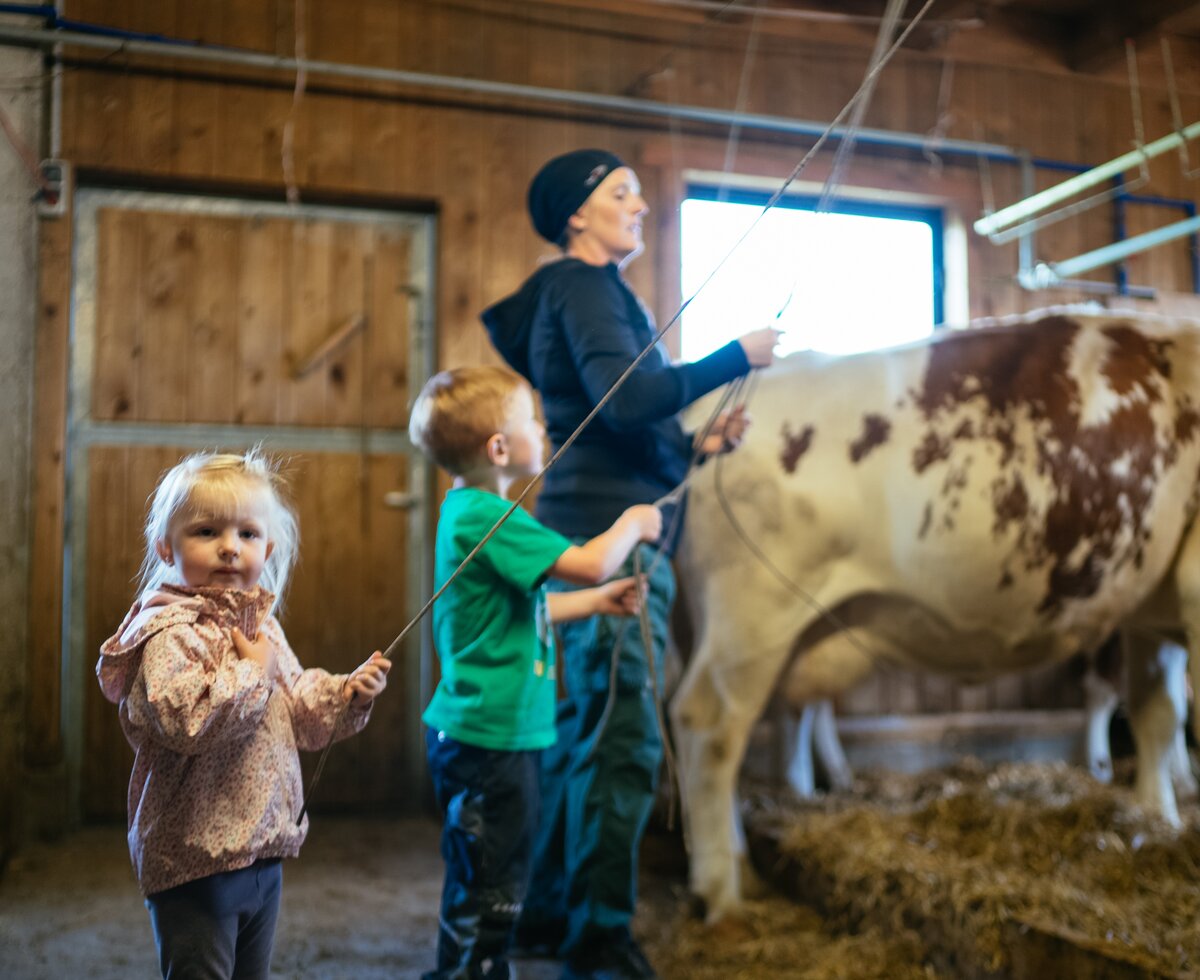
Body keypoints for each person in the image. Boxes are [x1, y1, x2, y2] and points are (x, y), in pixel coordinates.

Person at [481, 148, 781, 980]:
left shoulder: (589, 293)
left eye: (641, 193)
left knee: (584, 735)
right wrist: (735, 355)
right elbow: (626, 400)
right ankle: (599, 941)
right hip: (611, 546)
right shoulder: (583, 288)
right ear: (578, 215)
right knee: (621, 746)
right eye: (623, 194)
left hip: (588, 527)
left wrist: (695, 442)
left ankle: (546, 916)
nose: (641, 206)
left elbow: (618, 419)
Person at [407, 365, 663, 980]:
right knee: (491, 883)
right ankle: (469, 971)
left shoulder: (472, 511)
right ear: (499, 448)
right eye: (531, 420)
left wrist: (596, 605)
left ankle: (478, 964)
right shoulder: (489, 516)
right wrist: (633, 522)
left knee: (494, 871)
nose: (545, 430)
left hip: (493, 734)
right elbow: (595, 562)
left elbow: (524, 610)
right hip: (489, 739)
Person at [97, 449, 391, 980]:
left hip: (261, 844)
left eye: (248, 534)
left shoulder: (262, 627)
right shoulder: (169, 633)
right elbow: (187, 722)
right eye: (207, 531)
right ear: (167, 546)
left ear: (268, 546)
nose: (231, 548)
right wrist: (253, 673)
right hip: (196, 857)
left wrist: (348, 693)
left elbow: (296, 708)